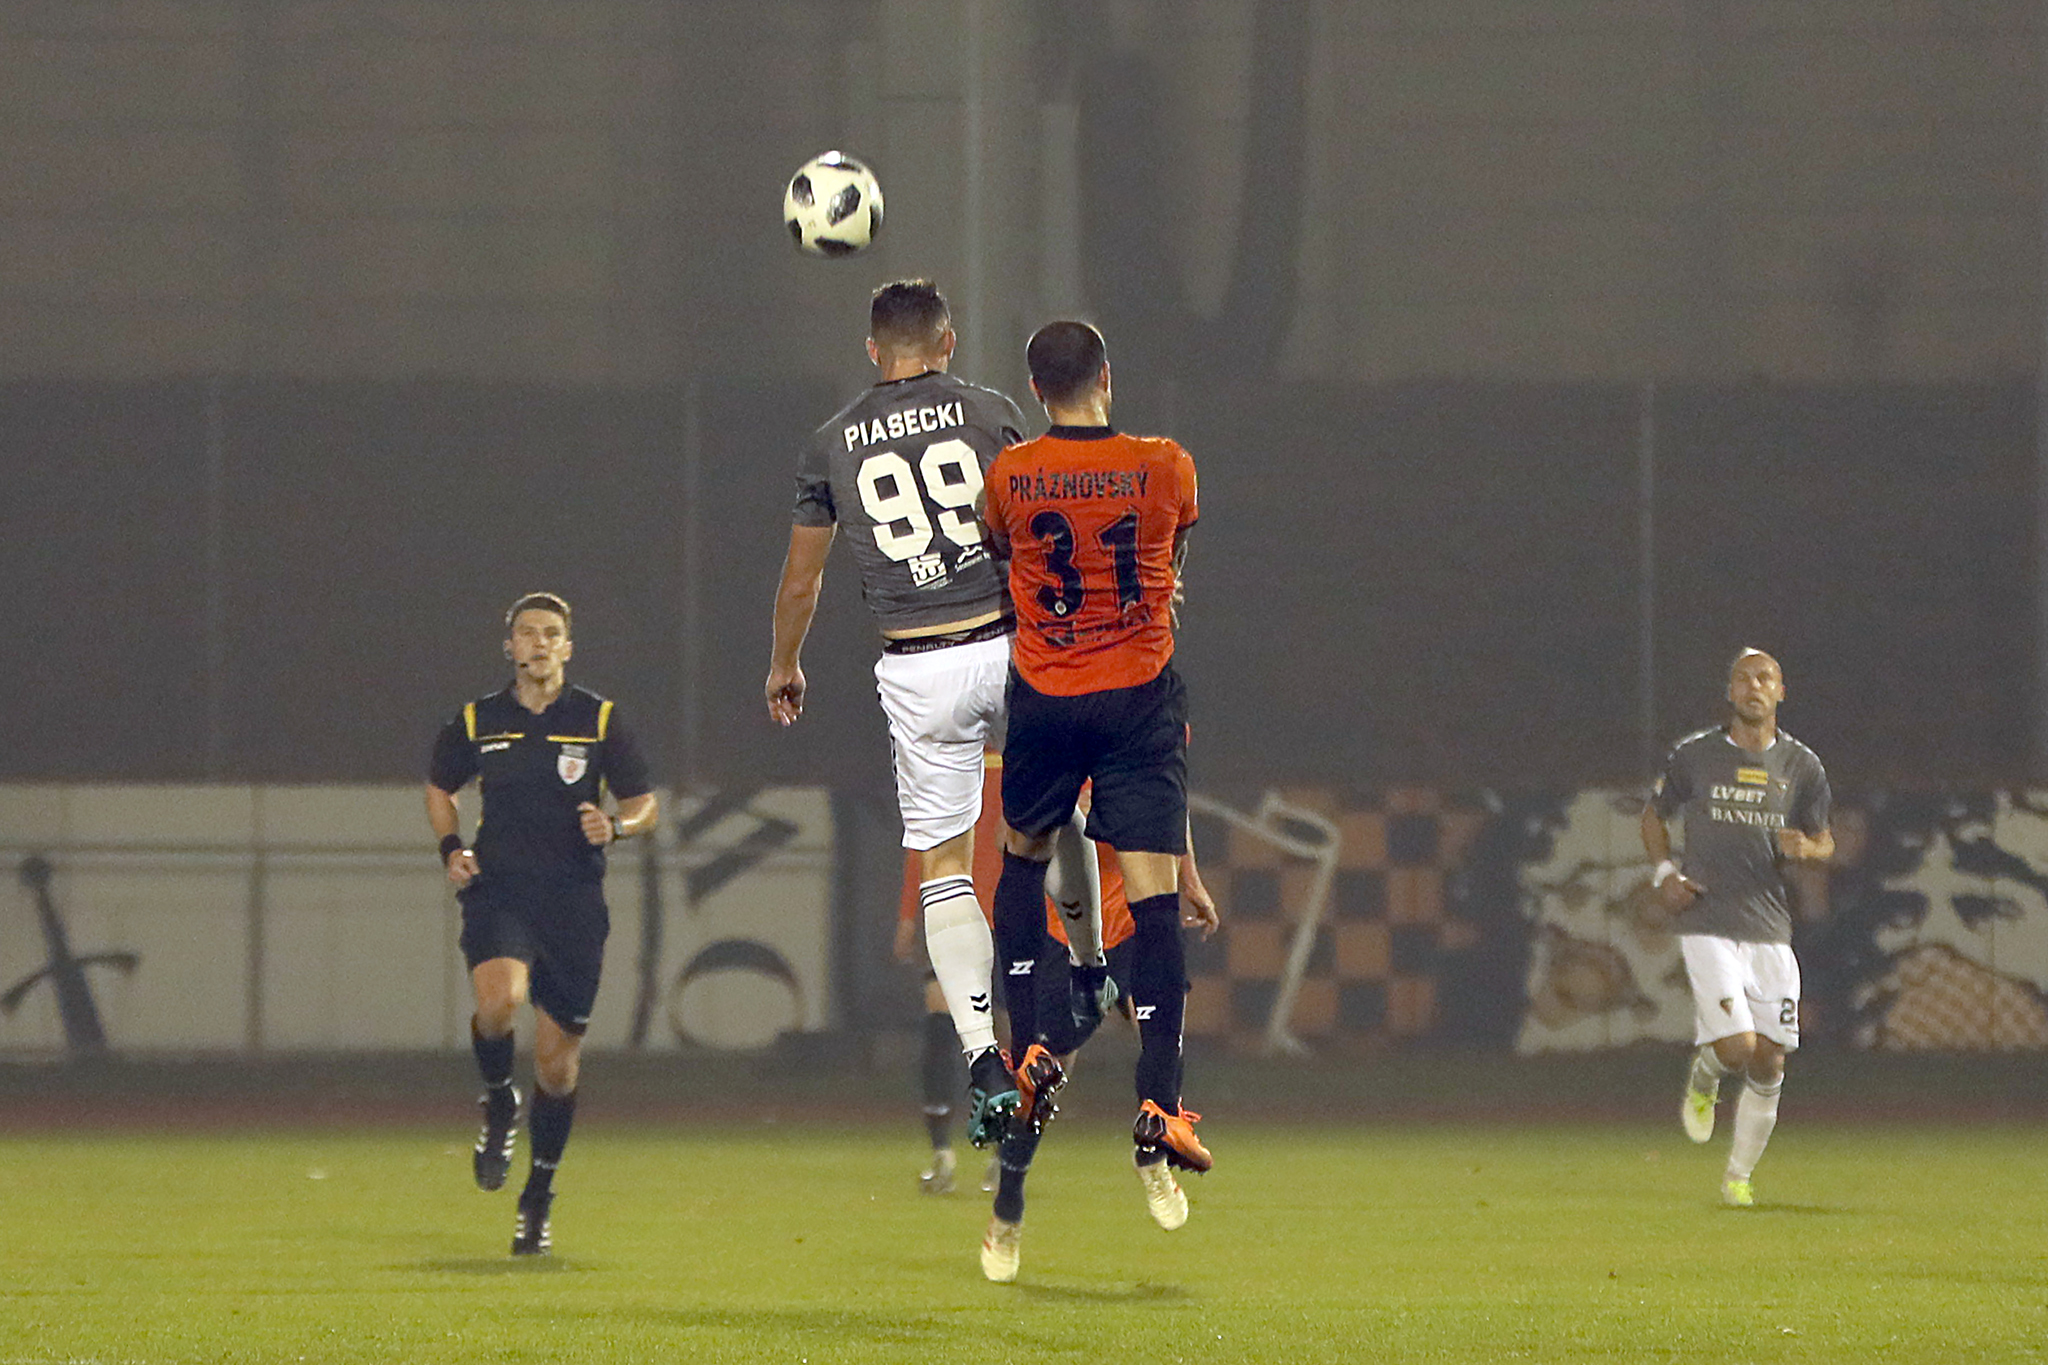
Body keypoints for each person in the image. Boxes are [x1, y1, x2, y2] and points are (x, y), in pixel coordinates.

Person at [768, 280, 1068, 1149]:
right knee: (1071, 803)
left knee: (943, 866)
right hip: (1009, 642)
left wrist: (785, 663)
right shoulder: (991, 413)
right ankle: (1090, 972)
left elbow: (802, 580)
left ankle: (980, 1057)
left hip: (918, 663)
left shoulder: (831, 442)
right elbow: (1039, 528)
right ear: (948, 343)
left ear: (873, 350)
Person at [978, 319, 1220, 1276]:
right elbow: (1171, 558)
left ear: (1036, 390)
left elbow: (1006, 555)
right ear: (1107, 376)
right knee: (1157, 909)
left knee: (1020, 858)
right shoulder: (1166, 463)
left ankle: (1023, 1050)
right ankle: (1160, 1104)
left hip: (1047, 692)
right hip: (1136, 692)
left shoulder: (1012, 474)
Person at [425, 593, 658, 1255]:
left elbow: (645, 805)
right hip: (499, 891)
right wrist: (451, 847)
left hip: (573, 905)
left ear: (568, 647)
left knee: (557, 1068)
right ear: (510, 647)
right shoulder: (478, 719)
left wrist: (616, 825)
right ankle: (499, 1098)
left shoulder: (599, 718)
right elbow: (439, 786)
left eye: (551, 633)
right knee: (500, 1000)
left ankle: (538, 1196)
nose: (538, 642)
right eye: (527, 633)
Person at [1642, 648, 1832, 1207]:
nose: (1755, 685)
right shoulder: (1695, 755)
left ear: (1781, 691)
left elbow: (1824, 839)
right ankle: (1705, 1075)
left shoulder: (1802, 765)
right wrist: (1664, 873)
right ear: (1730, 692)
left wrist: (1809, 849)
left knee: (1770, 1059)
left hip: (1769, 927)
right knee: (1738, 1046)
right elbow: (1653, 815)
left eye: (1765, 677)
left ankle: (1737, 1178)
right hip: (1708, 920)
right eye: (1744, 678)